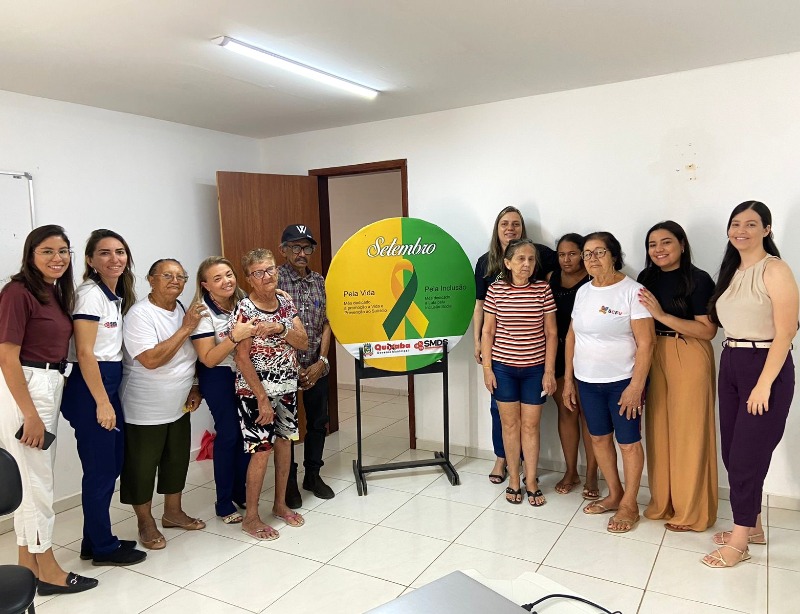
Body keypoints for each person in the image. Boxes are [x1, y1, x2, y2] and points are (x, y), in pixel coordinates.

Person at [0, 225, 98, 595]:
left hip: (48, 383)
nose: (57, 258)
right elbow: (6, 356)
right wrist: (30, 414)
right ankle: (50, 570)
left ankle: (28, 566)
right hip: (26, 386)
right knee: (36, 482)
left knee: (31, 480)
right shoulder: (17, 292)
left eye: (63, 251)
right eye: (47, 251)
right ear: (30, 254)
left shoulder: (53, 292)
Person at [702, 201, 798, 568]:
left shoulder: (774, 269)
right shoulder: (732, 271)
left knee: (745, 458)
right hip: (732, 362)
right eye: (736, 223)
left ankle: (740, 541)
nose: (741, 230)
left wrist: (764, 385)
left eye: (752, 224)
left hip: (765, 366)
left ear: (767, 230)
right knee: (733, 452)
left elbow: (787, 330)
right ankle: (753, 525)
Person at [61, 229, 146, 566]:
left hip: (107, 382)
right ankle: (104, 548)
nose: (115, 259)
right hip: (90, 386)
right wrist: (102, 402)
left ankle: (92, 541)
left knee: (110, 465)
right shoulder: (90, 295)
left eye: (120, 252)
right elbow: (84, 352)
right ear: (90, 260)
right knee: (99, 471)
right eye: (106, 253)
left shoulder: (112, 295)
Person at [563, 232, 654, 534]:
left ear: (614, 255)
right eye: (587, 253)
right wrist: (568, 381)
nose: (591, 258)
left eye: (599, 252)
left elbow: (646, 343)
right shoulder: (584, 292)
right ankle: (614, 494)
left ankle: (630, 502)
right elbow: (572, 336)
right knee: (599, 439)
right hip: (587, 381)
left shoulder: (632, 291)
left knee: (628, 443)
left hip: (622, 382)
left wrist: (635, 386)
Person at [636, 221, 718, 532]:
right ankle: (664, 503)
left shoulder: (698, 280)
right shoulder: (647, 278)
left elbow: (708, 330)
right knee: (658, 429)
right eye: (652, 244)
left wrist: (662, 315)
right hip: (654, 354)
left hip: (688, 352)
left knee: (688, 433)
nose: (658, 249)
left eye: (666, 242)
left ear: (682, 245)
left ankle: (691, 511)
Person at [119, 258, 206, 550]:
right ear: (151, 279)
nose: (175, 281)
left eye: (181, 277)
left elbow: (190, 355)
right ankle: (145, 522)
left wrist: (195, 385)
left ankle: (173, 512)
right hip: (145, 408)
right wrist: (185, 328)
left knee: (176, 459)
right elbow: (151, 360)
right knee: (142, 467)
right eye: (167, 275)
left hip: (179, 403)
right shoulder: (140, 315)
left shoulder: (181, 309)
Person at [472, 206, 558, 484]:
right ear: (497, 229)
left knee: (529, 423)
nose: (510, 228)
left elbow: (551, 330)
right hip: (501, 359)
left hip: (533, 363)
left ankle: (528, 476)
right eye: (504, 224)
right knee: (501, 414)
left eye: (516, 224)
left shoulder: (541, 262)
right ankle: (504, 463)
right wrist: (480, 348)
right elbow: (481, 309)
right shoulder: (486, 264)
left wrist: (548, 369)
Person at [232, 248, 309, 540]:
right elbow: (241, 358)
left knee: (285, 444)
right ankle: (251, 517)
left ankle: (280, 504)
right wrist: (262, 398)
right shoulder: (245, 310)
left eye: (271, 269)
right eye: (258, 272)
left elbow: (302, 342)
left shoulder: (286, 304)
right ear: (249, 278)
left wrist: (279, 328)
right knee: (261, 452)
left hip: (286, 387)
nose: (267, 276)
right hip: (255, 393)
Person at [190, 257, 260, 523]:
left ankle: (240, 492)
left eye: (229, 275)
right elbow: (208, 358)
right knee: (229, 435)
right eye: (217, 278)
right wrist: (235, 336)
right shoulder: (202, 313)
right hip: (217, 375)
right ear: (206, 285)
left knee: (246, 435)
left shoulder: (244, 302)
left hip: (245, 373)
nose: (226, 281)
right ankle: (222, 503)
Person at [278, 224, 335, 507]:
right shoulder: (273, 281)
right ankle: (288, 483)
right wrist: (293, 365)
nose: (302, 253)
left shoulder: (320, 281)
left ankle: (313, 475)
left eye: (307, 248)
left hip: (316, 366)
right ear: (284, 250)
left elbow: (327, 323)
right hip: (283, 369)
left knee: (317, 423)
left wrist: (321, 361)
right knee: (287, 427)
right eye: (295, 247)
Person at [547, 233, 599, 500]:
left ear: (583, 254)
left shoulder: (593, 281)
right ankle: (571, 471)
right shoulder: (550, 279)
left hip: (587, 354)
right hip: (557, 354)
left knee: (589, 417)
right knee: (566, 411)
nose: (566, 259)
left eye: (572, 253)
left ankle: (592, 474)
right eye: (561, 254)